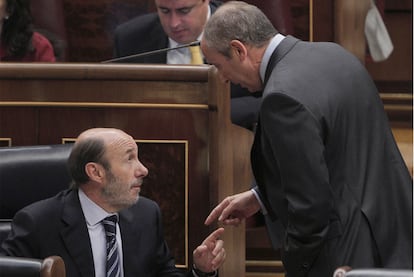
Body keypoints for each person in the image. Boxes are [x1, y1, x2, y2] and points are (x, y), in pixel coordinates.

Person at [201, 1, 413, 276]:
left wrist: (297, 266)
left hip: (345, 253)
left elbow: (310, 209)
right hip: (394, 233)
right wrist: (260, 197)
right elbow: (337, 155)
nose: (223, 78)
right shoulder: (334, 54)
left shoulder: (281, 98)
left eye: (219, 65)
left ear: (238, 49)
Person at [0, 128, 225, 277]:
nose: (143, 169)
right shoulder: (38, 223)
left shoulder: (146, 215)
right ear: (96, 172)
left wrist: (200, 271)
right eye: (130, 159)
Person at [113, 0, 261, 130]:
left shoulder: (244, 29)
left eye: (183, 11)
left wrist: (212, 112)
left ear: (205, 1)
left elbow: (269, 100)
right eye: (164, 11)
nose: (174, 23)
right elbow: (118, 103)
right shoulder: (130, 38)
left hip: (233, 141)